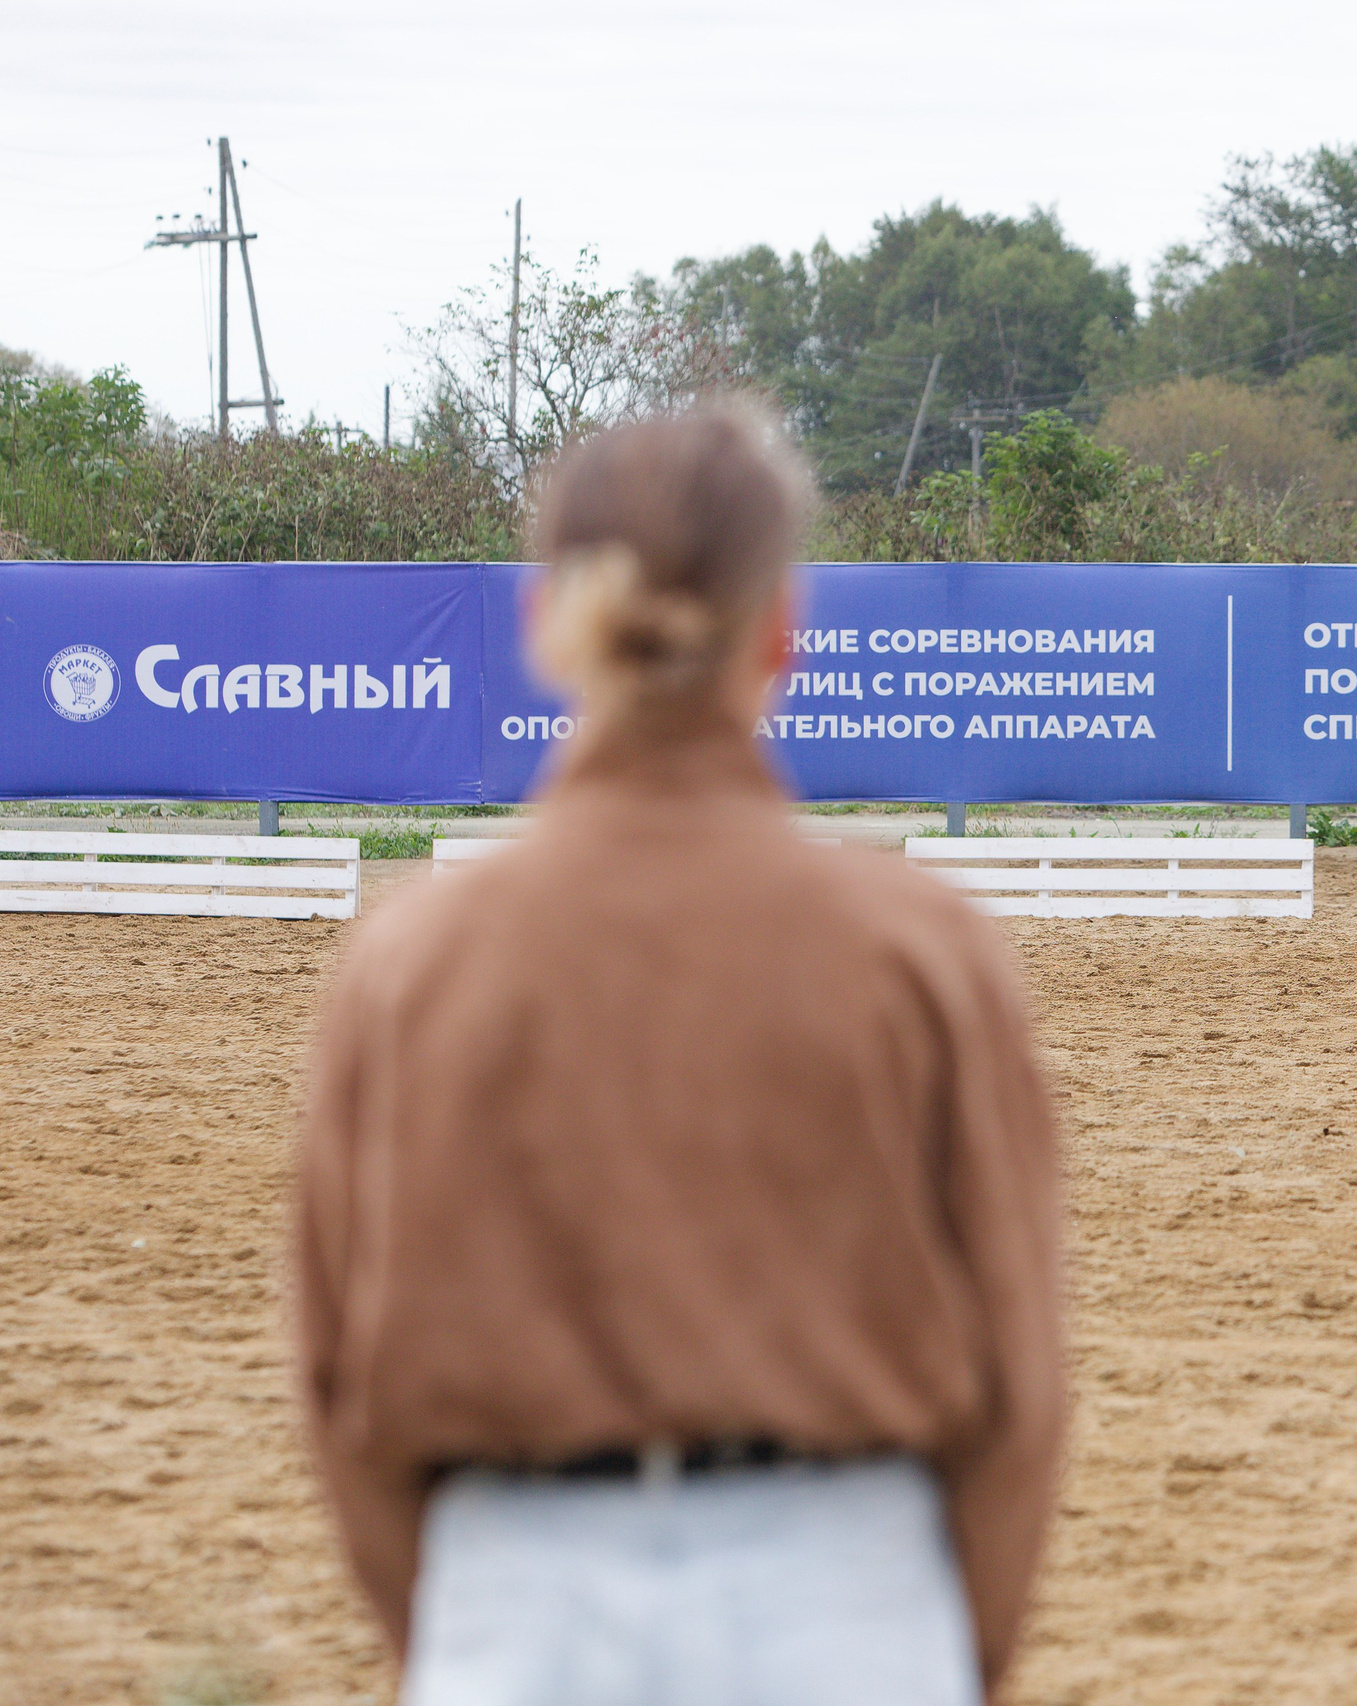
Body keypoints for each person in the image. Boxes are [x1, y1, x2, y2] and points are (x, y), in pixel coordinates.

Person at [294, 406, 1065, 1706]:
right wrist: (944, 1649)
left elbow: (339, 1387)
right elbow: (1020, 1382)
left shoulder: (408, 962)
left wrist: (466, 1627)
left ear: (549, 619)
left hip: (516, 1590)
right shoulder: (920, 946)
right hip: (845, 1585)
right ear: (782, 630)